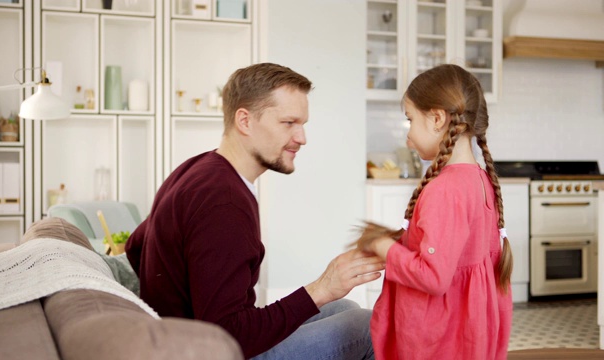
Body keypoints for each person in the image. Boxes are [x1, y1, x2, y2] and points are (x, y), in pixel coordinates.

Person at [126, 62, 384, 359]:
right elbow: (230, 335)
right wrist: (321, 288)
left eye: (303, 124)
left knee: (343, 308)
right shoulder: (224, 202)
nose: (302, 138)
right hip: (210, 351)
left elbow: (135, 246)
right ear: (245, 121)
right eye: (289, 123)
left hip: (189, 334)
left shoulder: (199, 168)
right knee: (363, 326)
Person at [352, 64, 513, 359]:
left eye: (410, 119)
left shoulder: (445, 190)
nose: (407, 136)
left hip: (440, 340)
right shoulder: (478, 178)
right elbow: (454, 253)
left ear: (437, 118)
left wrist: (381, 244)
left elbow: (433, 276)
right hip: (468, 333)